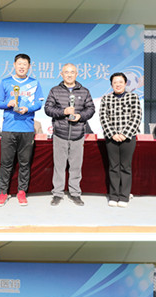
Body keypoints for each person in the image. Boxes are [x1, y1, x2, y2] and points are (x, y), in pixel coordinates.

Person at [0, 53, 44, 207]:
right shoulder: (5, 82)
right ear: (14, 65)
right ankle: (3, 192)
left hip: (27, 129)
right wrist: (7, 104)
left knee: (24, 163)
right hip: (9, 128)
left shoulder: (34, 83)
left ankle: (22, 192)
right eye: (19, 64)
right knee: (6, 163)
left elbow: (39, 104)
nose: (22, 67)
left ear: (29, 66)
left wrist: (28, 109)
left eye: (25, 64)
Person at [44, 63, 95, 207]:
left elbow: (91, 109)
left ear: (77, 74)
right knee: (59, 166)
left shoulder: (84, 91)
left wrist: (80, 116)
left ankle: (75, 193)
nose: (69, 74)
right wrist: (63, 112)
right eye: (66, 72)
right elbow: (48, 109)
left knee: (76, 166)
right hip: (60, 134)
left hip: (78, 134)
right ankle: (57, 193)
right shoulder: (55, 90)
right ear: (61, 74)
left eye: (72, 72)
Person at [99, 72, 142, 208]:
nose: (118, 84)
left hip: (128, 137)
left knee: (125, 167)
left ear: (125, 83)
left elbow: (136, 116)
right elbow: (103, 117)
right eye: (115, 82)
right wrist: (112, 134)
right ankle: (113, 196)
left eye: (120, 82)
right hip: (111, 137)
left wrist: (124, 134)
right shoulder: (106, 98)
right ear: (111, 85)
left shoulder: (133, 97)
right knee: (113, 167)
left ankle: (124, 196)